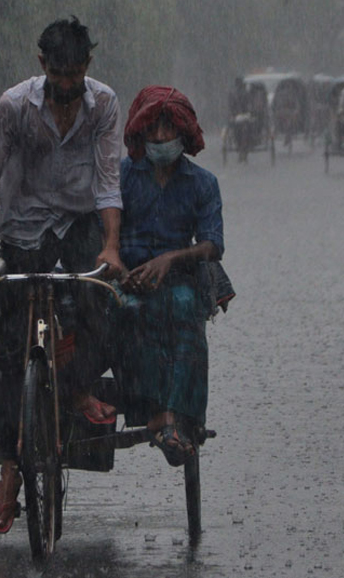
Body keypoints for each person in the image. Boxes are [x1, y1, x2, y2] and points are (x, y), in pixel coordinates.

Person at [0, 17, 126, 533]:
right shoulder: (14, 106)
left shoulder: (103, 105)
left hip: (80, 227)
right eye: (58, 74)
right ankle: (10, 471)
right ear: (43, 67)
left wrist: (111, 246)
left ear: (87, 67)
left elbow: (107, 182)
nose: (65, 86)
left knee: (98, 308)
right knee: (13, 348)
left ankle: (77, 387)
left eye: (74, 74)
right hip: (25, 230)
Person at [116, 86, 223, 467]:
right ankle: (151, 413)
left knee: (183, 310)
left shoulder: (203, 184)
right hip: (125, 275)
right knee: (128, 313)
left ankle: (180, 417)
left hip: (180, 279)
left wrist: (170, 259)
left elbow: (212, 245)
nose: (161, 138)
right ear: (140, 134)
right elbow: (102, 233)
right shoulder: (121, 177)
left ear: (184, 134)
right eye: (153, 130)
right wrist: (123, 272)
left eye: (169, 130)